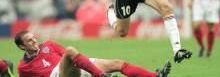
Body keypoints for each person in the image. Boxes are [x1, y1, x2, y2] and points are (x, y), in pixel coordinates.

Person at [15, 30, 171, 77]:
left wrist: (83, 64)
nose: (34, 41)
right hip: (57, 76)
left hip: (72, 68)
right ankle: (100, 76)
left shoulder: (48, 45)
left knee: (117, 63)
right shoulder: (23, 68)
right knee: (70, 50)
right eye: (29, 41)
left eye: (33, 37)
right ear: (22, 47)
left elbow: (68, 57)